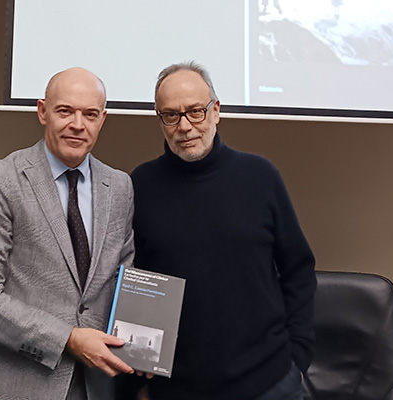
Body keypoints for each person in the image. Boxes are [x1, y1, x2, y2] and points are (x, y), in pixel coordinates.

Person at [125, 61, 316, 400]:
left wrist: (297, 356)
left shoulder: (260, 176)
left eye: (195, 112)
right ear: (160, 121)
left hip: (269, 382)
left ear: (216, 111)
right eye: (171, 115)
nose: (184, 126)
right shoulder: (139, 185)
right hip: (177, 388)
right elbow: (131, 277)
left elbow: (297, 271)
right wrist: (138, 373)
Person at [0, 67, 136, 400]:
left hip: (95, 386)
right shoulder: (2, 180)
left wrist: (144, 344)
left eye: (90, 114)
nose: (78, 125)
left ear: (102, 119)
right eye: (65, 111)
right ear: (42, 111)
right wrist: (68, 338)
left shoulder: (120, 187)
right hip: (13, 385)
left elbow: (124, 283)